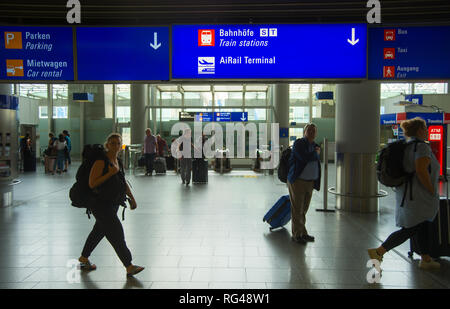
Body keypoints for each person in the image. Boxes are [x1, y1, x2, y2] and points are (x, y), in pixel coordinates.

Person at [368, 117, 440, 270]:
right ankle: (379, 251)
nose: (426, 132)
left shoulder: (406, 146)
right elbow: (421, 170)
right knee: (411, 228)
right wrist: (431, 190)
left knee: (421, 224)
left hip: (407, 193)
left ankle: (425, 258)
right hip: (419, 195)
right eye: (425, 129)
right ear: (420, 130)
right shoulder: (421, 148)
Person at [79, 133, 144, 276]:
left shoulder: (118, 161)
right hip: (100, 204)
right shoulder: (101, 161)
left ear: (121, 146)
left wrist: (132, 198)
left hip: (113, 203)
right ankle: (129, 265)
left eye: (117, 143)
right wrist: (110, 173)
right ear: (107, 145)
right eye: (112, 143)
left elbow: (122, 181)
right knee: (116, 234)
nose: (115, 146)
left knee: (98, 232)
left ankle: (84, 258)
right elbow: (92, 183)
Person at [287, 123, 321, 244]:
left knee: (303, 209)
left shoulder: (315, 145)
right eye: (309, 130)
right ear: (304, 132)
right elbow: (304, 158)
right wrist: (315, 154)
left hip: (310, 182)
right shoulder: (299, 143)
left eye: (314, 131)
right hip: (298, 181)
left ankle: (303, 232)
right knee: (297, 209)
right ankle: (297, 235)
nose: (312, 132)